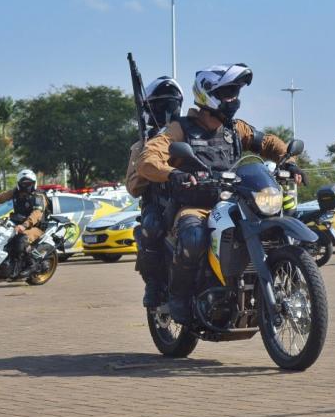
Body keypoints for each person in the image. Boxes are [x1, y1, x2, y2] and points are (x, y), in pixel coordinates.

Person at [136, 64, 303, 322]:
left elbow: (268, 142)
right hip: (196, 206)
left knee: (274, 226)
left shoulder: (234, 129)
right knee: (192, 236)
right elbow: (148, 158)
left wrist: (288, 160)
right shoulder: (180, 129)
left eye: (235, 92)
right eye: (227, 92)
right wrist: (173, 173)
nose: (233, 99)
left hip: (236, 201)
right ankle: (178, 296)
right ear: (207, 95)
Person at [125, 76, 183, 307]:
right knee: (151, 226)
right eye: (159, 105)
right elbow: (133, 187)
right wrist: (146, 166)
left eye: (170, 104)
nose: (166, 110)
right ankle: (155, 283)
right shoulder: (142, 145)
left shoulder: (191, 134)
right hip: (159, 204)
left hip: (196, 197)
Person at [0, 170, 48, 276]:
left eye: (28, 183)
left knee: (21, 240)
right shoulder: (15, 193)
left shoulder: (38, 196)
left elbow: (37, 214)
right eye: (23, 183)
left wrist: (24, 225)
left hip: (35, 226)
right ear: (19, 184)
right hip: (16, 223)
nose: (26, 186)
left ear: (34, 183)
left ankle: (32, 264)